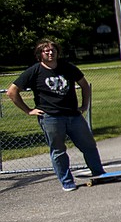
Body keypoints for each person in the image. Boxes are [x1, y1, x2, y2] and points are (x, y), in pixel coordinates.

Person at [6, 39, 107, 191]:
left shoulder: (67, 67)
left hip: (73, 115)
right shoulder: (34, 71)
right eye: (46, 51)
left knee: (89, 145)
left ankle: (99, 173)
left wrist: (84, 105)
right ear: (40, 54)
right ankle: (67, 182)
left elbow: (84, 85)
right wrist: (28, 110)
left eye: (53, 50)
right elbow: (12, 92)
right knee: (58, 151)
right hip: (51, 118)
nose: (50, 53)